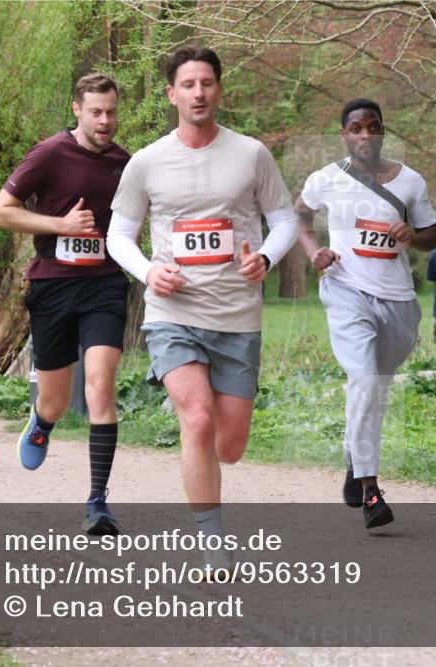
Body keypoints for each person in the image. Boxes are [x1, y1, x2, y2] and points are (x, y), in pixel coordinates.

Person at [107, 46, 297, 561]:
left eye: (207, 83)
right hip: (175, 314)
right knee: (197, 420)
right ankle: (211, 541)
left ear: (219, 90)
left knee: (229, 447)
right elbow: (118, 235)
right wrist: (149, 271)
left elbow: (284, 221)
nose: (198, 92)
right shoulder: (146, 162)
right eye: (188, 84)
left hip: (237, 314)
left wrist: (265, 257)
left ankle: (204, 472)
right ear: (172, 94)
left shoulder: (251, 154)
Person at [0, 73, 131, 536]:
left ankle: (97, 501)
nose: (104, 120)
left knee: (100, 386)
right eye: (95, 112)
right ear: (77, 109)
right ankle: (42, 421)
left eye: (111, 111)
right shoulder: (50, 153)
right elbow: (1, 212)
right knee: (54, 401)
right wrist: (59, 225)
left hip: (105, 285)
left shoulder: (126, 163)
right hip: (53, 285)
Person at [295, 99, 436, 529]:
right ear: (344, 134)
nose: (364, 136)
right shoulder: (327, 178)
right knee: (363, 380)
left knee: (374, 391)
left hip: (398, 301)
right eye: (355, 129)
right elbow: (299, 215)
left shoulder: (411, 181)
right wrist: (312, 251)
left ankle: (353, 460)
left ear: (382, 132)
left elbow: (432, 234)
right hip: (345, 290)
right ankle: (371, 489)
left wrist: (412, 236)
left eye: (372, 128)